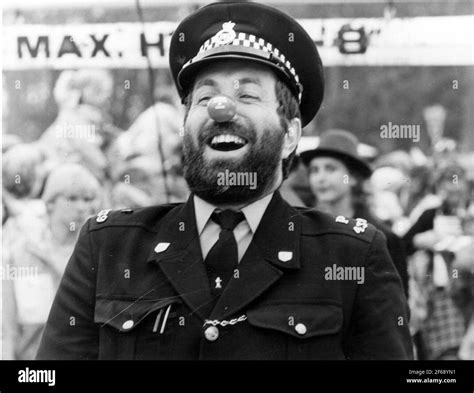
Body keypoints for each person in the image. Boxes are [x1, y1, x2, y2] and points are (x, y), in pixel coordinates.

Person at [37, 2, 412, 360]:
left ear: (290, 135)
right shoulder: (107, 247)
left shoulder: (354, 257)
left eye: (247, 94)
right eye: (205, 97)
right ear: (185, 127)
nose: (221, 109)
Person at [3, 164, 102, 359]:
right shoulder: (21, 252)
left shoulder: (95, 252)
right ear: (50, 203)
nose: (82, 207)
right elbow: (7, 328)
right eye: (72, 198)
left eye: (88, 199)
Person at [300, 129, 409, 297]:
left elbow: (397, 305)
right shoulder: (303, 230)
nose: (320, 178)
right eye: (314, 170)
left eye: (330, 169)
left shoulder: (381, 237)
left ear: (352, 177)